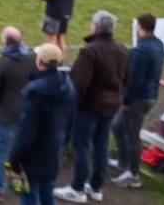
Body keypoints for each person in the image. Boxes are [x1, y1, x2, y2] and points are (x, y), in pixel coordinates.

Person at [55, 11, 128, 204]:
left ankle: (78, 188)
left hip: (90, 107)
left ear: (95, 27)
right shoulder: (122, 49)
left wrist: (73, 106)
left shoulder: (90, 51)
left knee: (82, 145)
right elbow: (126, 79)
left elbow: (79, 84)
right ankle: (96, 187)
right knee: (101, 145)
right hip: (110, 106)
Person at [9, 43, 76, 205]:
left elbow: (26, 131)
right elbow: (71, 122)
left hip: (33, 157)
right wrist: (62, 145)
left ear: (39, 62)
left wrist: (14, 158)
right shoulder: (68, 87)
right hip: (54, 152)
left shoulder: (34, 93)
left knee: (28, 195)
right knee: (47, 191)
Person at [111, 14, 164, 189]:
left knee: (132, 136)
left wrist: (125, 100)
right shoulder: (158, 44)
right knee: (117, 126)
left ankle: (133, 175)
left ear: (140, 26)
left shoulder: (141, 50)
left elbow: (135, 80)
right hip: (150, 95)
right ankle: (123, 163)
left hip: (138, 99)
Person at [0, 26, 36, 202]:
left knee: (0, 151)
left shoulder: (2, 63)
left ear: (5, 41)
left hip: (6, 113)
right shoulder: (31, 58)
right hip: (26, 112)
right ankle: (21, 184)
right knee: (21, 150)